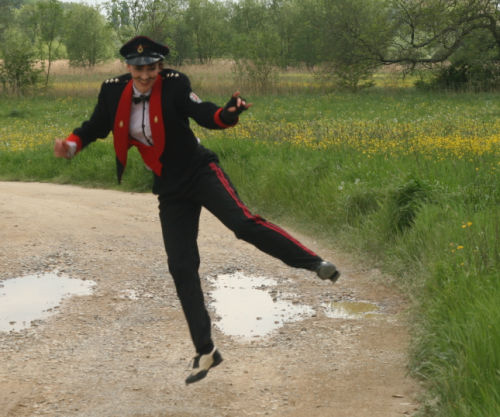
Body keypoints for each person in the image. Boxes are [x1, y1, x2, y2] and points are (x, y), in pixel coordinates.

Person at [54, 36, 340, 384]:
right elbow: (96, 126)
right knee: (181, 265)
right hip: (169, 186)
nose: (145, 74)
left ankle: (314, 262)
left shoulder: (175, 85)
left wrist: (228, 113)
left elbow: (203, 113)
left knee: (243, 224)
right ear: (128, 67)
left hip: (199, 171)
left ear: (160, 66)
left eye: (151, 67)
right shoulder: (113, 91)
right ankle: (206, 350)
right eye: (138, 68)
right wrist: (71, 144)